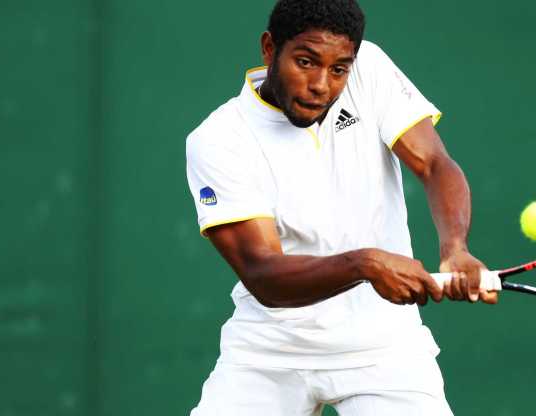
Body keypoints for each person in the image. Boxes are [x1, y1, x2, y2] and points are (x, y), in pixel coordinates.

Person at [185, 0, 497, 414]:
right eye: (305, 62)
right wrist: (365, 264)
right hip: (269, 353)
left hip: (384, 349)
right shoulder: (220, 140)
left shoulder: (368, 69)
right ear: (268, 48)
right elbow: (263, 274)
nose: (321, 84)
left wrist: (454, 246)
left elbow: (435, 163)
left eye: (337, 69)